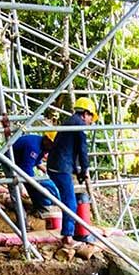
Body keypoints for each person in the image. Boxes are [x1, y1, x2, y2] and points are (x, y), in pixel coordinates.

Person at [48, 98, 96, 246]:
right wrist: (85, 168)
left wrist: (78, 171)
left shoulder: (69, 121)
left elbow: (70, 150)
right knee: (70, 202)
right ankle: (68, 236)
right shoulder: (79, 125)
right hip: (61, 167)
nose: (91, 122)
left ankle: (69, 232)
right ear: (86, 114)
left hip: (55, 164)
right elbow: (82, 150)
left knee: (66, 197)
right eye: (91, 118)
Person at [12, 131, 59, 213]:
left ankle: (39, 207)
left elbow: (37, 161)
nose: (52, 147)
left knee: (37, 185)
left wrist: (47, 171)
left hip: (20, 163)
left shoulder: (42, 146)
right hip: (10, 162)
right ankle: (21, 214)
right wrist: (37, 182)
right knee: (16, 188)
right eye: (52, 144)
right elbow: (27, 168)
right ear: (47, 140)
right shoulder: (34, 146)